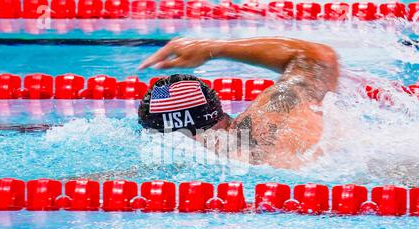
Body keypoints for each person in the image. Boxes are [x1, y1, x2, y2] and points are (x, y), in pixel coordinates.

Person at [138, 37, 339, 169]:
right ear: (219, 114)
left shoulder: (208, 162)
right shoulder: (273, 111)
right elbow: (319, 58)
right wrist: (213, 48)